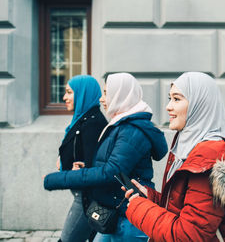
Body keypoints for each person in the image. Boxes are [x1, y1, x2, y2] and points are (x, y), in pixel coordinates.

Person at [124, 72, 225, 242]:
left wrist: (139, 208)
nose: (168, 106)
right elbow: (184, 209)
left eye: (177, 99)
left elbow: (188, 236)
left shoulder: (206, 162)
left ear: (199, 105)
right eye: (170, 98)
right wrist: (151, 198)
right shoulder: (191, 148)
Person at [44, 72, 168, 242]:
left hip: (129, 214)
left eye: (106, 93)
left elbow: (111, 172)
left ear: (121, 94)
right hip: (115, 210)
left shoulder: (132, 130)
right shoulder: (120, 125)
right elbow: (110, 164)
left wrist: (59, 179)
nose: (101, 99)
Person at [56, 75, 108, 242]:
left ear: (83, 93)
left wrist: (80, 169)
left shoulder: (92, 124)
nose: (64, 97)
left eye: (69, 92)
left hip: (86, 198)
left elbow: (94, 165)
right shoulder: (82, 120)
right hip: (84, 195)